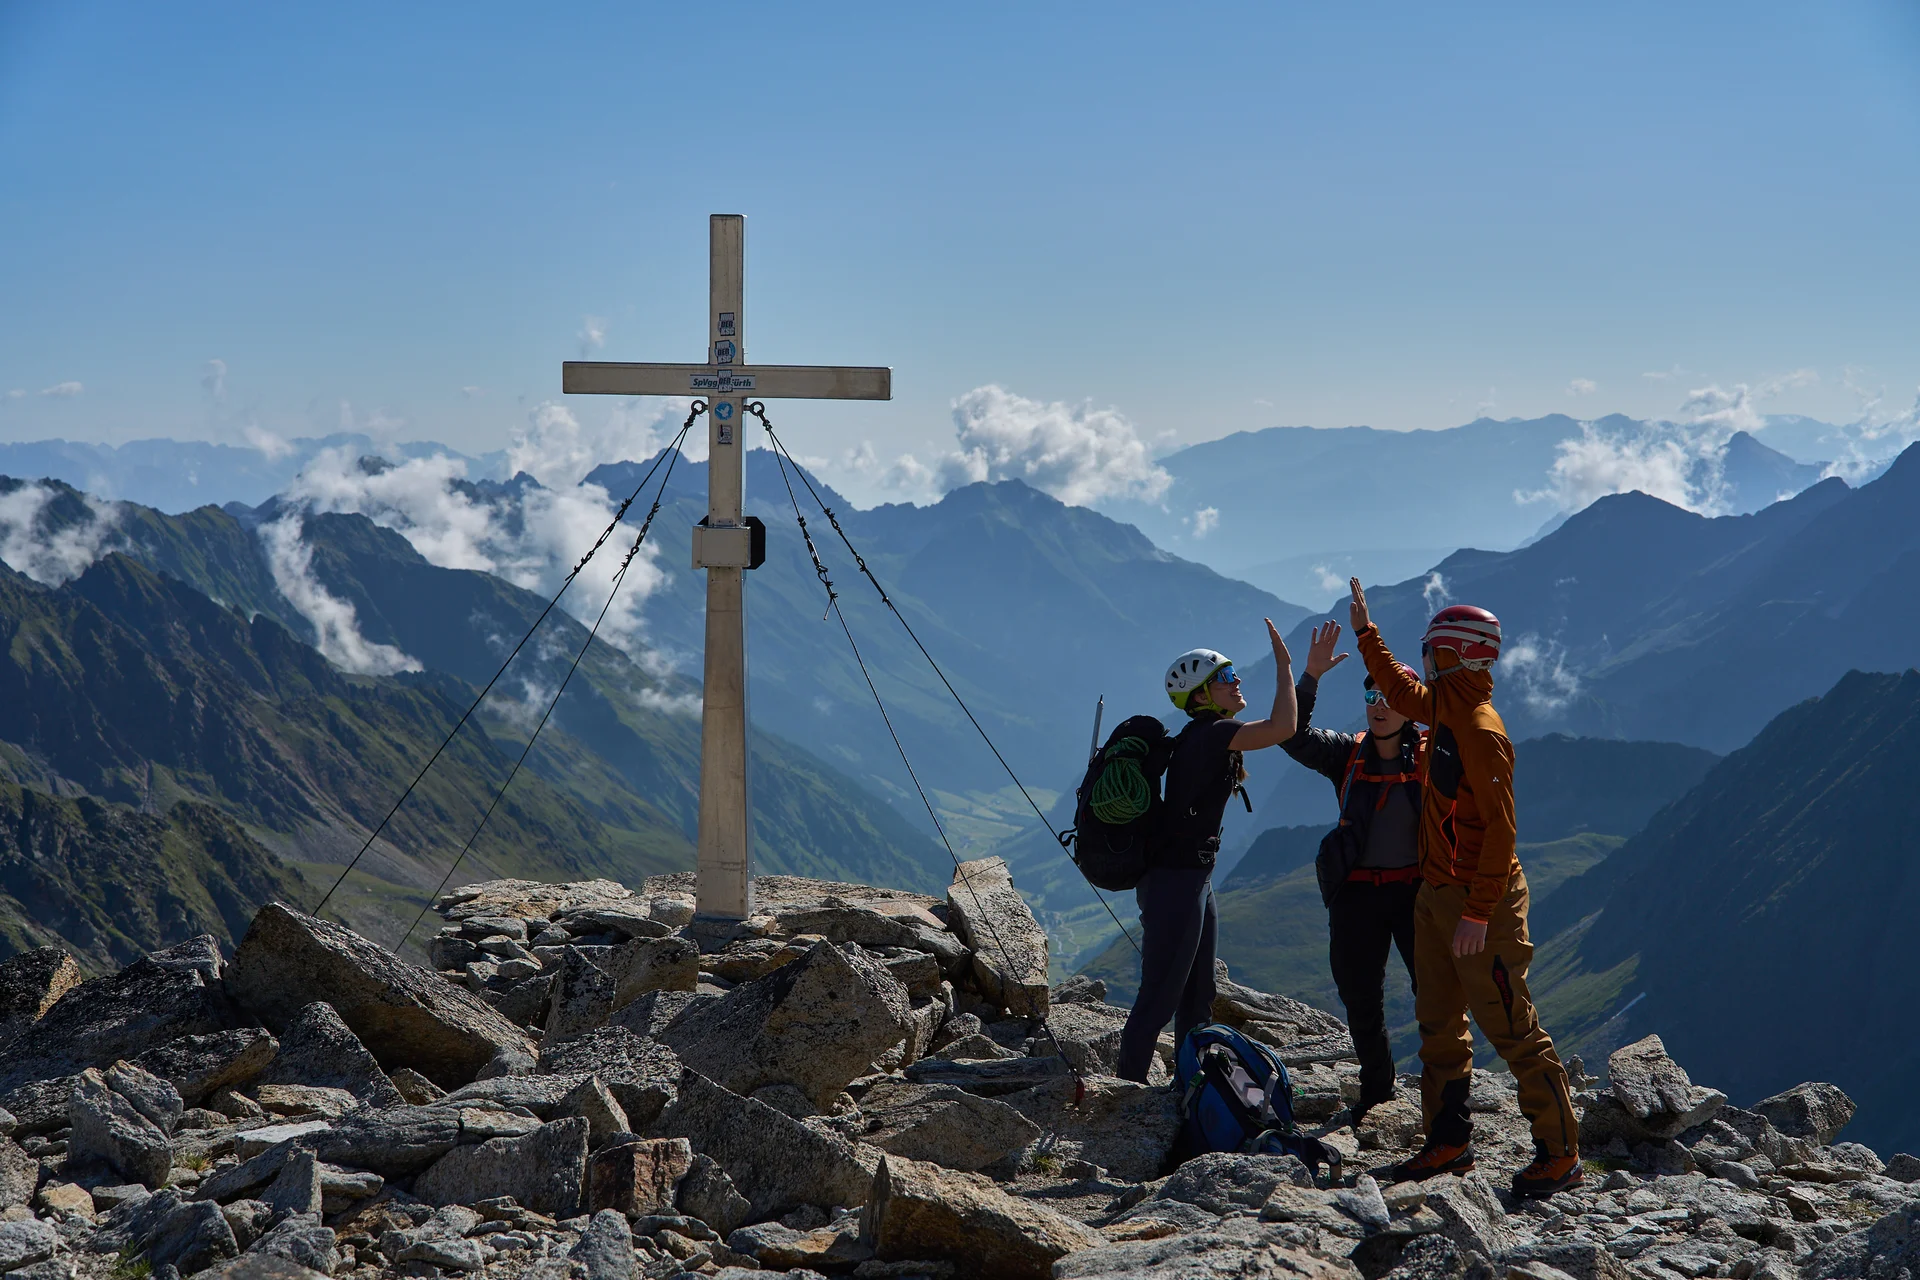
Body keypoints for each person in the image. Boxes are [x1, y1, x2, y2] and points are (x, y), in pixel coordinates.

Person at [1347, 578, 1583, 1198]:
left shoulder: (1479, 729)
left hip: (1482, 905)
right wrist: (1366, 633)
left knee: (1512, 1028)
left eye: (1431, 650)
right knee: (1438, 1023)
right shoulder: (1447, 707)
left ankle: (1560, 1154)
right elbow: (1400, 688)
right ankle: (1448, 1143)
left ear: (1452, 654)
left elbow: (1503, 833)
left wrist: (1478, 913)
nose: (1424, 661)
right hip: (1438, 895)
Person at [1115, 619, 1298, 1084]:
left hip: (1190, 878)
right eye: (1225, 676)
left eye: (1233, 672)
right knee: (1160, 997)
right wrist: (1287, 666)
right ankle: (1126, 1099)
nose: (1236, 681)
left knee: (1199, 994)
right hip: (1177, 881)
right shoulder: (1214, 734)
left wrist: (1307, 674)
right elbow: (1283, 727)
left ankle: (1190, 1091)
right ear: (1200, 696)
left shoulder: (1205, 735)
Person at [1279, 620, 1423, 1123]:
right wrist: (1311, 677)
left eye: (1390, 696)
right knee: (1360, 997)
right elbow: (1292, 737)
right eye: (1372, 694)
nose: (1379, 705)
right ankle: (1378, 1094)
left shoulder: (1431, 758)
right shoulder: (1348, 753)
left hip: (1415, 895)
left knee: (1434, 995)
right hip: (1357, 895)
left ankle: (1444, 1098)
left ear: (1411, 707)